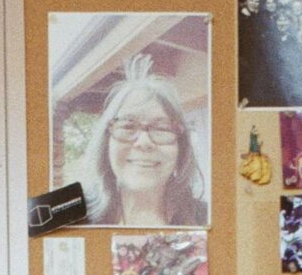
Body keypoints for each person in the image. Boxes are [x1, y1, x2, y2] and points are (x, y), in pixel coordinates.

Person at [78, 56, 208, 228]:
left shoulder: (209, 219)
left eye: (161, 128)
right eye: (128, 126)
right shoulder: (71, 213)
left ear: (181, 147)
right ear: (106, 142)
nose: (143, 142)